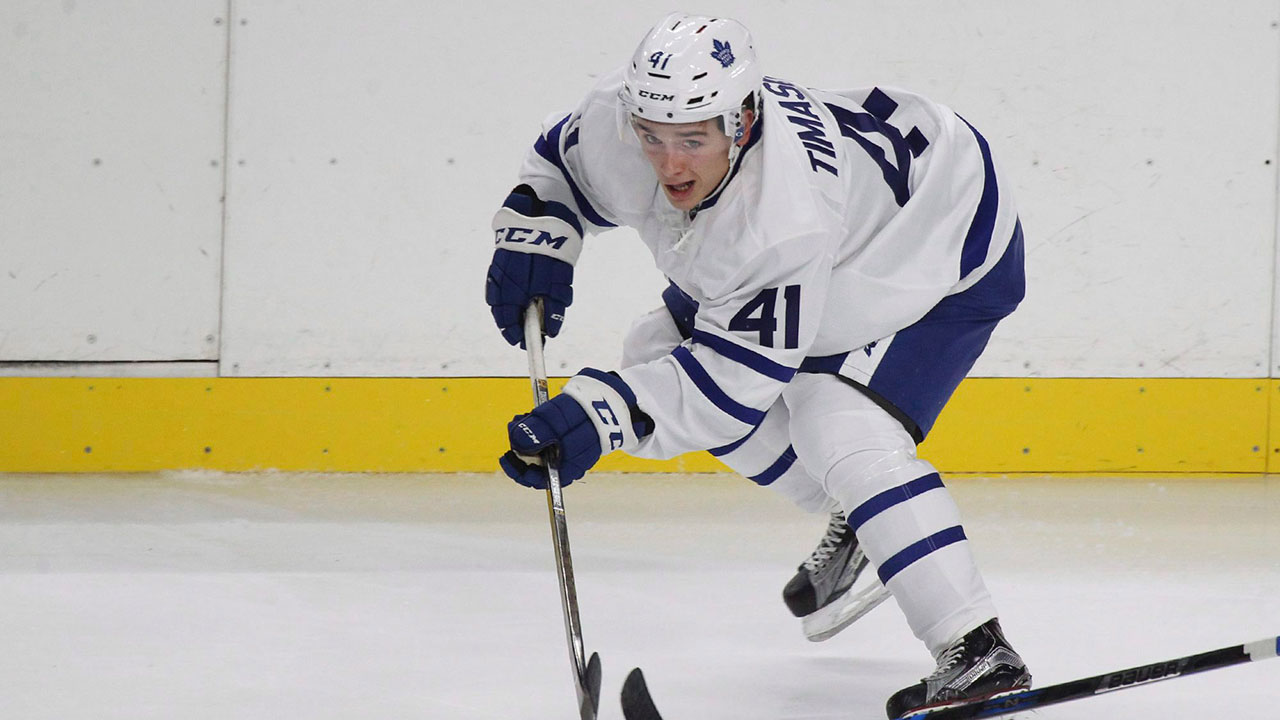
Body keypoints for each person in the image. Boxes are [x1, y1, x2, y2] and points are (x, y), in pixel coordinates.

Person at [484, 12, 1030, 719]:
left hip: (938, 234)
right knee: (653, 355)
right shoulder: (624, 120)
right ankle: (869, 525)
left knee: (837, 425)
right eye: (653, 136)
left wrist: (597, 417)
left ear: (742, 120)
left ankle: (979, 649)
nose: (670, 163)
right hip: (848, 226)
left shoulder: (779, 218)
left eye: (693, 140)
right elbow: (560, 169)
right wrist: (539, 235)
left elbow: (729, 389)